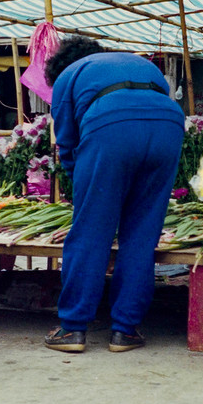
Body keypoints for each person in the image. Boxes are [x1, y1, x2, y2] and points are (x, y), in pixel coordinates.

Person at [42, 37, 185, 353]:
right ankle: (125, 331)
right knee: (142, 234)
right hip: (169, 125)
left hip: (111, 125)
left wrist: (83, 195)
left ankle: (73, 329)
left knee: (90, 232)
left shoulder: (68, 76)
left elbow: (66, 143)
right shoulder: (137, 62)